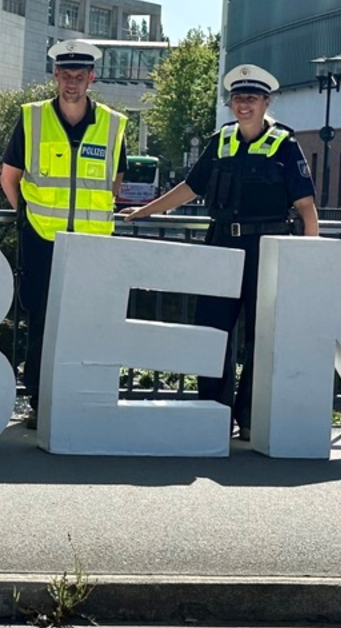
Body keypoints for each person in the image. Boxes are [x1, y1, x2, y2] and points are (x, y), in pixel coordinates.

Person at [121, 64, 319, 440]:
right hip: (222, 246)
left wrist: (308, 264)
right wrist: (146, 211)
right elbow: (190, 187)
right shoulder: (221, 141)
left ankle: (250, 417)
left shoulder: (284, 144)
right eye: (238, 98)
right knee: (211, 331)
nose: (244, 105)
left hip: (266, 250)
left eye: (252, 98)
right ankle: (214, 413)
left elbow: (307, 208)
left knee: (261, 336)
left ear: (266, 102)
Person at [0, 40, 128, 428]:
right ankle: (41, 400)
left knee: (87, 321)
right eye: (66, 75)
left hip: (92, 243)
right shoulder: (33, 117)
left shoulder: (113, 124)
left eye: (79, 76)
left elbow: (116, 180)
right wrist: (27, 216)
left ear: (91, 78)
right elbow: (9, 176)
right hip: (43, 238)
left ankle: (79, 397)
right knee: (42, 321)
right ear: (55, 76)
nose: (72, 82)